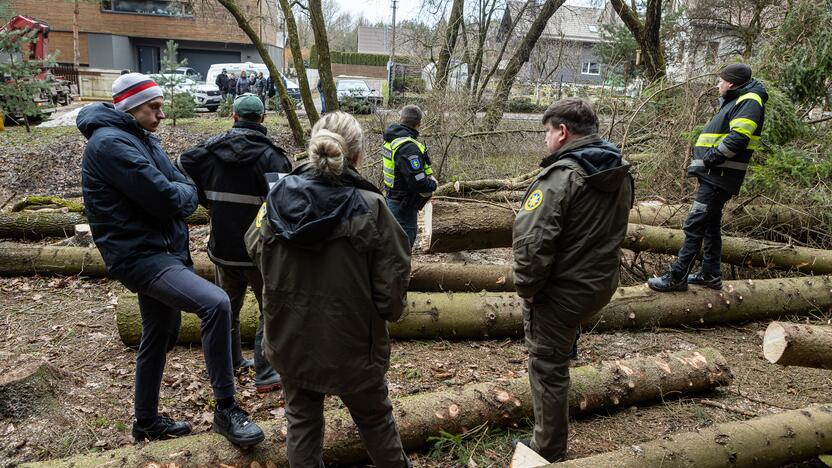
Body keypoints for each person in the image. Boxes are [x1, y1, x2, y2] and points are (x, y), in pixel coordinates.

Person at [76, 73, 265, 446]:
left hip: (163, 250)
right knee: (216, 303)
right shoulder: (111, 145)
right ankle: (226, 409)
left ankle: (145, 420)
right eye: (154, 107)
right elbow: (172, 197)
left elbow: (181, 186)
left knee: (160, 333)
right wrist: (182, 194)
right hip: (143, 256)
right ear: (131, 107)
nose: (161, 114)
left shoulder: (140, 138)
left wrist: (180, 193)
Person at [246, 111, 412, 467]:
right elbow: (394, 278)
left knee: (302, 424)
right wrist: (387, 312)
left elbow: (254, 246)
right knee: (376, 421)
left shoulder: (276, 199)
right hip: (352, 342)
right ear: (356, 156)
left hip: (290, 339)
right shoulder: (372, 208)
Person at [512, 98, 633, 462]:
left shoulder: (561, 177)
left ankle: (548, 448)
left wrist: (528, 291)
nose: (546, 140)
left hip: (561, 292)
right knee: (561, 346)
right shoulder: (619, 172)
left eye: (548, 132)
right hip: (597, 286)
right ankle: (566, 345)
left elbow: (532, 244)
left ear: (562, 132)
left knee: (547, 368)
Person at [177, 94, 291, 393]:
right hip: (260, 252)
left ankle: (230, 362)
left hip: (223, 249)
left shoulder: (209, 151)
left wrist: (206, 199)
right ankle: (266, 373)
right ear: (263, 119)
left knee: (226, 309)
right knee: (271, 311)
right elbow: (283, 204)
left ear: (233, 116)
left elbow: (181, 161)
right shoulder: (274, 157)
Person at [648, 63, 767, 292]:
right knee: (710, 225)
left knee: (695, 224)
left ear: (731, 82)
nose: (717, 84)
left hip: (719, 174)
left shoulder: (749, 101)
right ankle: (710, 274)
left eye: (721, 80)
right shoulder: (739, 100)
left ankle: (677, 277)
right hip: (715, 175)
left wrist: (712, 157)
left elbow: (739, 137)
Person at [382, 104, 437, 248]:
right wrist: (433, 185)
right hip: (403, 208)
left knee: (392, 249)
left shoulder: (392, 140)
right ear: (419, 123)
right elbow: (418, 183)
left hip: (392, 201)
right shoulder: (408, 147)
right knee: (401, 251)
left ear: (401, 119)